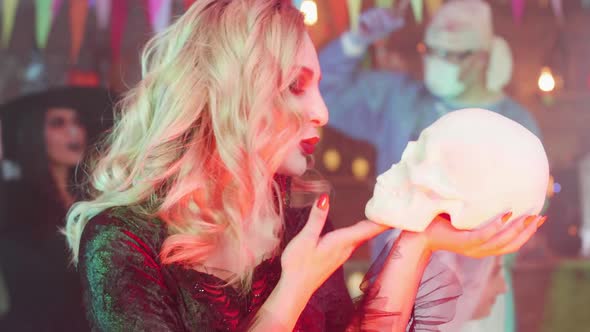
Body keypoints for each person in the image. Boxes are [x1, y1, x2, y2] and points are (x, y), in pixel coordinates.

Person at [64, 1, 543, 331]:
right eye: (297, 85)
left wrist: (417, 245)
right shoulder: (122, 240)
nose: (323, 111)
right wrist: (293, 285)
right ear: (234, 93)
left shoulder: (295, 219)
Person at [319, 0, 542, 330]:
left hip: (481, 297)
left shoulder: (515, 125)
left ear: (482, 56)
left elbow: (523, 219)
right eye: (430, 50)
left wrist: (480, 272)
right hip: (394, 286)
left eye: (451, 54)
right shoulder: (400, 101)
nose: (437, 62)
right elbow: (323, 89)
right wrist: (357, 38)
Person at [0, 87, 114, 331]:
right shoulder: (15, 199)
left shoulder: (91, 196)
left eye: (77, 122)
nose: (73, 132)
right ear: (35, 134)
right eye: (58, 123)